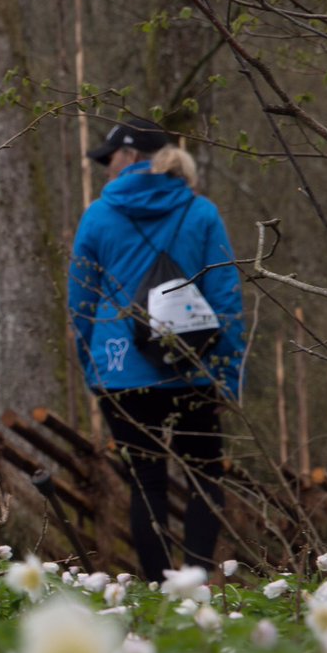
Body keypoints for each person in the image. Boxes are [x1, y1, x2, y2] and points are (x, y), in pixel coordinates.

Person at [68, 117, 245, 579]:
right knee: (205, 478)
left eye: (110, 158)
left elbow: (81, 303)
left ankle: (161, 596)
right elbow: (226, 298)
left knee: (146, 484)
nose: (107, 168)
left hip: (121, 371)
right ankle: (198, 591)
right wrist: (227, 372)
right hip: (194, 366)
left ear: (131, 157)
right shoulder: (201, 212)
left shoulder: (98, 216)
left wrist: (93, 368)